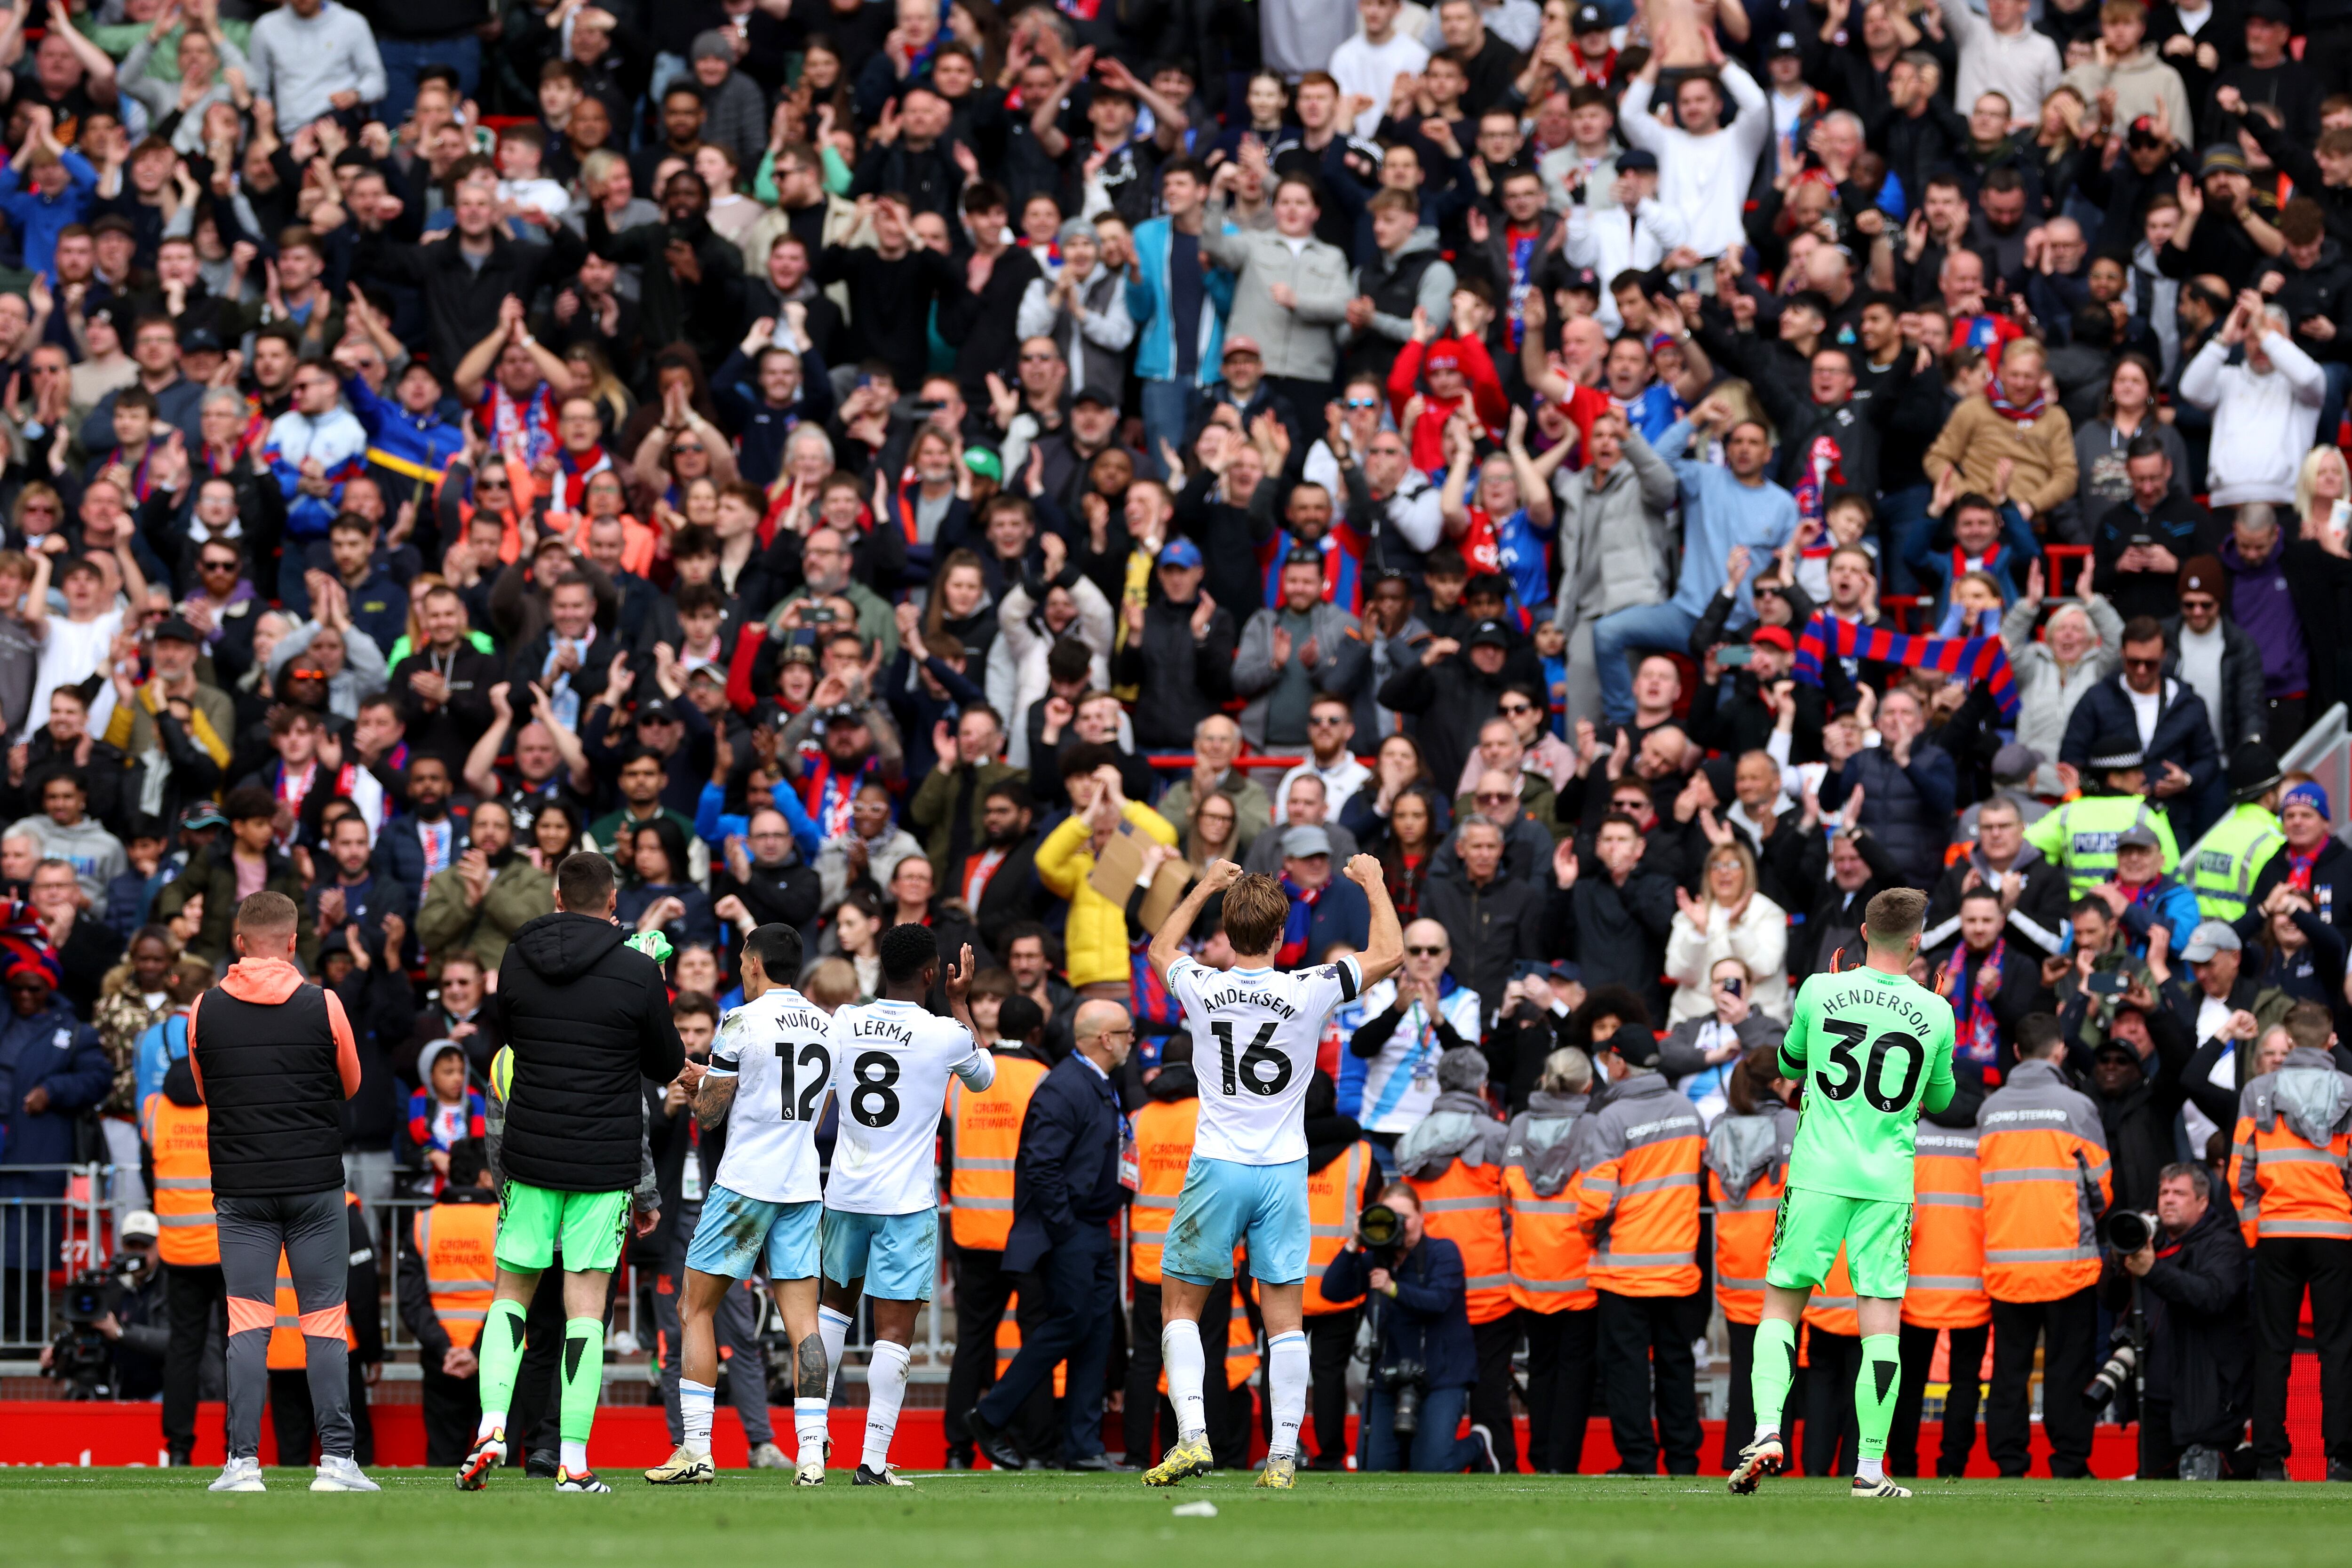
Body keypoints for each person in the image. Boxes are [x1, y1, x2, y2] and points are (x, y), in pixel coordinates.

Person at [1141, 855, 1404, 1488]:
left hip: (1218, 1164)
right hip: (1284, 1168)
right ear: (1284, 934)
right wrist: (1373, 882)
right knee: (1285, 1320)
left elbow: (1159, 949)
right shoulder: (1309, 986)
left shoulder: (1202, 985)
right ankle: (1283, 1457)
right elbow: (1390, 954)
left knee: (1179, 1306)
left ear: (1228, 932)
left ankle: (1193, 1439)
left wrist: (1204, 886)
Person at [459, 852, 684, 1494]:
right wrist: (649, 982)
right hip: (604, 1162)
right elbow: (666, 1063)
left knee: (511, 1294)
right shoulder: (636, 970)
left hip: (529, 1154)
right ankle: (574, 1462)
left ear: (557, 898)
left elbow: (511, 1041)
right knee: (585, 1310)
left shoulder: (516, 958)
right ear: (613, 903)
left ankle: (492, 1425)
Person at [1727, 887, 1957, 1500]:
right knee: (1880, 1326)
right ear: (1916, 941)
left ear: (1862, 932)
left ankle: (1768, 1431)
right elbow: (1940, 1099)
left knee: (1781, 1307)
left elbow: (1788, 1063)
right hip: (1886, 1182)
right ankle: (1870, 1469)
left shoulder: (1818, 990)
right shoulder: (1936, 1011)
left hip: (1816, 1174)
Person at [188, 891, 374, 1495]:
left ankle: (241, 1464)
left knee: (247, 1324)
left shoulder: (203, 1008)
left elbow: (207, 1089)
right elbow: (351, 1084)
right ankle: (337, 1462)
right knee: (324, 1322)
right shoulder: (324, 1004)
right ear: (293, 943)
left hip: (241, 1190)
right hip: (316, 1187)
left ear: (239, 943)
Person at [647, 924, 834, 1487]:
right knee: (804, 1324)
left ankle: (696, 1450)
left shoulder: (740, 1022)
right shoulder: (827, 1027)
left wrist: (694, 1083)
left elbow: (709, 1115)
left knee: (694, 1309)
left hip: (745, 1186)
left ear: (753, 963)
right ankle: (811, 1455)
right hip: (801, 1187)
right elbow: (813, 1110)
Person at [813, 923, 992, 1486]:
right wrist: (960, 1003)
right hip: (905, 1204)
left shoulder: (844, 1021)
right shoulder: (945, 1033)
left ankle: (810, 1446)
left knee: (831, 1313)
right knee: (892, 1332)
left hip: (845, 1193)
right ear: (932, 974)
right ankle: (871, 1461)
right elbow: (984, 1078)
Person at [969, 998, 1135, 1471]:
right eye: (1127, 1032)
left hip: (1090, 1227)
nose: (1133, 1040)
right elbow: (1041, 1165)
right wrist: (1064, 1227)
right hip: (1072, 1229)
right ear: (1105, 1039)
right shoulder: (1066, 1087)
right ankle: (990, 1414)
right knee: (1071, 1323)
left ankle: (1084, 1446)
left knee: (1096, 1330)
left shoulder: (1090, 1082)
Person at [1977, 1011, 2113, 1479]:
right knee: (2067, 1368)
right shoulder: (2076, 1107)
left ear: (2016, 1052)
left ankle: (2009, 1463)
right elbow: (2102, 1189)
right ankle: (2069, 1461)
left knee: (2008, 1371)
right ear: (2060, 1051)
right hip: (2066, 1263)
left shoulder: (1990, 1110)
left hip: (2006, 1265)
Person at [1578, 1022, 1707, 1478]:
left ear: (1618, 1063)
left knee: (1627, 1372)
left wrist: (1587, 1233)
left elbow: (1595, 1202)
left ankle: (1637, 1461)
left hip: (1624, 1270)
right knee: (1676, 1367)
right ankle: (1682, 1461)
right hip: (1677, 1266)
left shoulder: (1611, 1118)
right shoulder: (1687, 1110)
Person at [2229, 1002, 2352, 1482]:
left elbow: (2240, 1174)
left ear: (2290, 1041)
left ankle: (2269, 1461)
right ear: (2330, 1040)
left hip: (2276, 1233)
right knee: (2338, 1349)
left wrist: (2254, 1233)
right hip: (2334, 1233)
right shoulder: (2349, 1091)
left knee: (2273, 1349)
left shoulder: (2258, 1091)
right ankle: (2341, 1461)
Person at [943, 994, 1053, 1470]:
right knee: (1034, 1340)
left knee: (972, 1342)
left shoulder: (961, 1082)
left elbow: (949, 1155)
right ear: (1036, 1033)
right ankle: (1036, 1447)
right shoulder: (1042, 1078)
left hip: (971, 1228)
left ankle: (956, 1449)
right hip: (1024, 1231)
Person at [1398, 1046, 1518, 1473]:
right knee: (1491, 1384)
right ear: (1482, 1086)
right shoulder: (1499, 1136)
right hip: (1492, 1287)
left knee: (1432, 1381)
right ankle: (1497, 1462)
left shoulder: (1412, 1139)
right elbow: (1513, 1212)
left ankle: (1429, 1458)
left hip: (1432, 1289)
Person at [1321, 1182, 1493, 1472]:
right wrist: (1355, 1242)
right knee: (1372, 1468)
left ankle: (1478, 1445)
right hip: (1389, 1376)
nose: (1400, 1225)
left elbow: (1438, 1301)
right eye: (1391, 1218)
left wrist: (1392, 1289)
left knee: (1432, 1468)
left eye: (1406, 1217)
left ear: (1422, 1215)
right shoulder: (1376, 1261)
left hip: (1441, 1375)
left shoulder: (1443, 1252)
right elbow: (1332, 1290)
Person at [2101, 1160, 2252, 1481]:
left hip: (2206, 1396)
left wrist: (2153, 1270)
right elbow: (2110, 1300)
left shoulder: (2223, 1243)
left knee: (2205, 1485)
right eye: (2164, 1192)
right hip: (2155, 1398)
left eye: (2180, 1193)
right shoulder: (2150, 1242)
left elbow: (2212, 1296)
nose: (2169, 1199)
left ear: (2203, 1202)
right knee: (2152, 1486)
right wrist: (2117, 1260)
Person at [398, 1137, 499, 1468]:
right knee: (501, 1463)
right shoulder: (506, 1221)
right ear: (485, 1177)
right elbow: (523, 1296)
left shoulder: (423, 1222)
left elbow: (411, 1300)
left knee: (443, 1462)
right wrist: (477, 1350)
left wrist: (446, 1349)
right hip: (500, 1356)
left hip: (441, 1357)